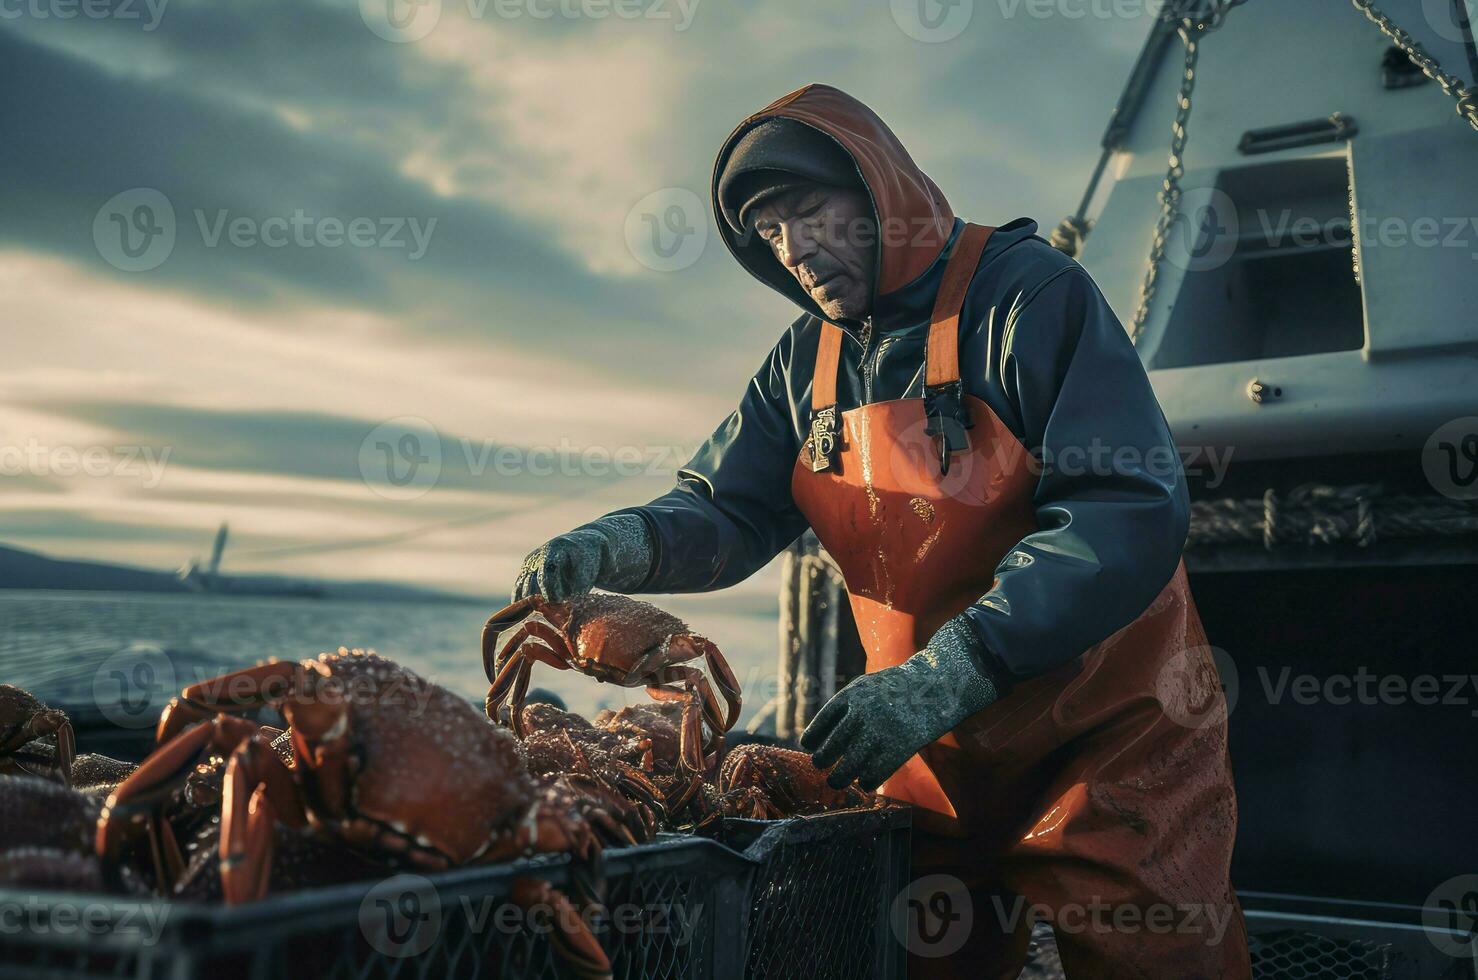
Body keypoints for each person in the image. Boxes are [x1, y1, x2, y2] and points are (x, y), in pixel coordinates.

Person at [511, 83, 1249, 978]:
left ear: (881, 191)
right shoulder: (802, 360)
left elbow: (1127, 506)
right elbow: (726, 507)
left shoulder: (1031, 295)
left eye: (810, 211)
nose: (795, 249)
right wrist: (621, 541)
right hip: (923, 749)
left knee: (1157, 956)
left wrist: (961, 664)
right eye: (771, 233)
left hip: (1111, 733)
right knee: (909, 957)